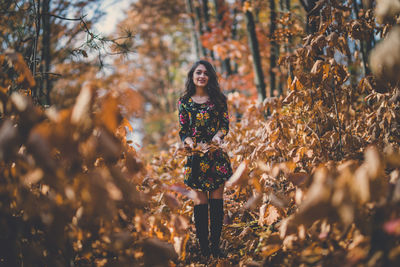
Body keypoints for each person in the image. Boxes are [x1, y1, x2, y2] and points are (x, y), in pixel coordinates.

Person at [177, 60, 233, 258]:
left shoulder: (218, 100)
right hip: (195, 157)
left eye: (206, 73)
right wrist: (189, 142)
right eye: (198, 72)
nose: (202, 76)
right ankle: (204, 250)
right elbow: (183, 130)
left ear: (210, 77)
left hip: (215, 154)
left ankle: (215, 247)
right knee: (201, 202)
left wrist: (218, 137)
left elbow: (224, 125)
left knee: (216, 201)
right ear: (192, 76)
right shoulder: (184, 102)